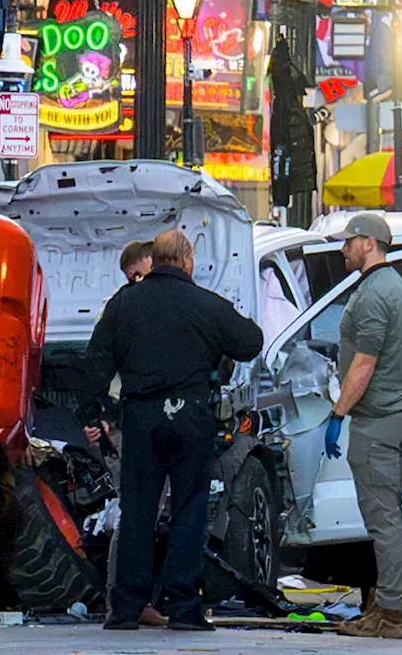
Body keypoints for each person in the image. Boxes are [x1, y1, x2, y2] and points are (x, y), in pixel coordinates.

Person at [80, 229, 263, 631]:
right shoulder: (204, 303)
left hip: (141, 417)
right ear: (187, 259)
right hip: (190, 417)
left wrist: (98, 412)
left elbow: (94, 361)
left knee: (137, 514)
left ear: (155, 259)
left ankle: (126, 608)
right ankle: (183, 607)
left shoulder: (123, 303)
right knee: (189, 510)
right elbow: (250, 341)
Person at [323, 212, 402, 641]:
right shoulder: (393, 287)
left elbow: (364, 365)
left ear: (368, 243)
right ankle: (383, 605)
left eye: (348, 242)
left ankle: (393, 614)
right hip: (392, 415)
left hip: (377, 419)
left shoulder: (376, 293)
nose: (343, 250)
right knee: (387, 515)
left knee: (383, 520)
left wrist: (337, 413)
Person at [85, 238, 167, 629]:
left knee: (143, 513)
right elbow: (103, 365)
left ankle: (131, 597)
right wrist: (105, 415)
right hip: (124, 423)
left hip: (137, 420)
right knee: (134, 512)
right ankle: (122, 600)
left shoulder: (135, 305)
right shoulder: (123, 309)